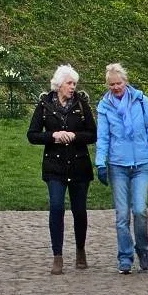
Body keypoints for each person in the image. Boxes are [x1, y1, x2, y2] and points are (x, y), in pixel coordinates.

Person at [95, 62, 148, 274]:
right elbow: (103, 138)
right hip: (118, 165)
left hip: (141, 163)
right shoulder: (104, 107)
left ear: (126, 82)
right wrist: (100, 162)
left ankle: (142, 249)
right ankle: (125, 256)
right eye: (112, 85)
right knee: (122, 215)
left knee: (140, 210)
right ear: (108, 85)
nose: (116, 87)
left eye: (119, 83)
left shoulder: (141, 100)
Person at [27, 63, 96, 273]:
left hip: (79, 164)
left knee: (79, 210)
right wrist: (53, 136)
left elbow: (93, 134)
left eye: (74, 83)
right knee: (56, 208)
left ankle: (80, 250)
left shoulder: (82, 105)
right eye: (69, 83)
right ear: (59, 85)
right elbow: (32, 134)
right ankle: (57, 255)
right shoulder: (44, 105)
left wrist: (75, 136)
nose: (72, 87)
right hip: (55, 165)